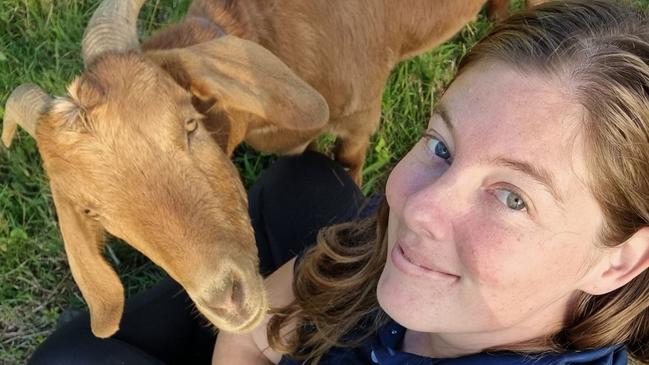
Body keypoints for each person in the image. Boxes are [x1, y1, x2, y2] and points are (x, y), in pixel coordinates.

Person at [29, 0, 649, 364]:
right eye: (441, 145)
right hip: (338, 309)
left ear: (620, 262)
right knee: (305, 175)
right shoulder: (383, 248)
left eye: (515, 197)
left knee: (68, 356)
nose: (416, 205)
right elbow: (297, 298)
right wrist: (248, 341)